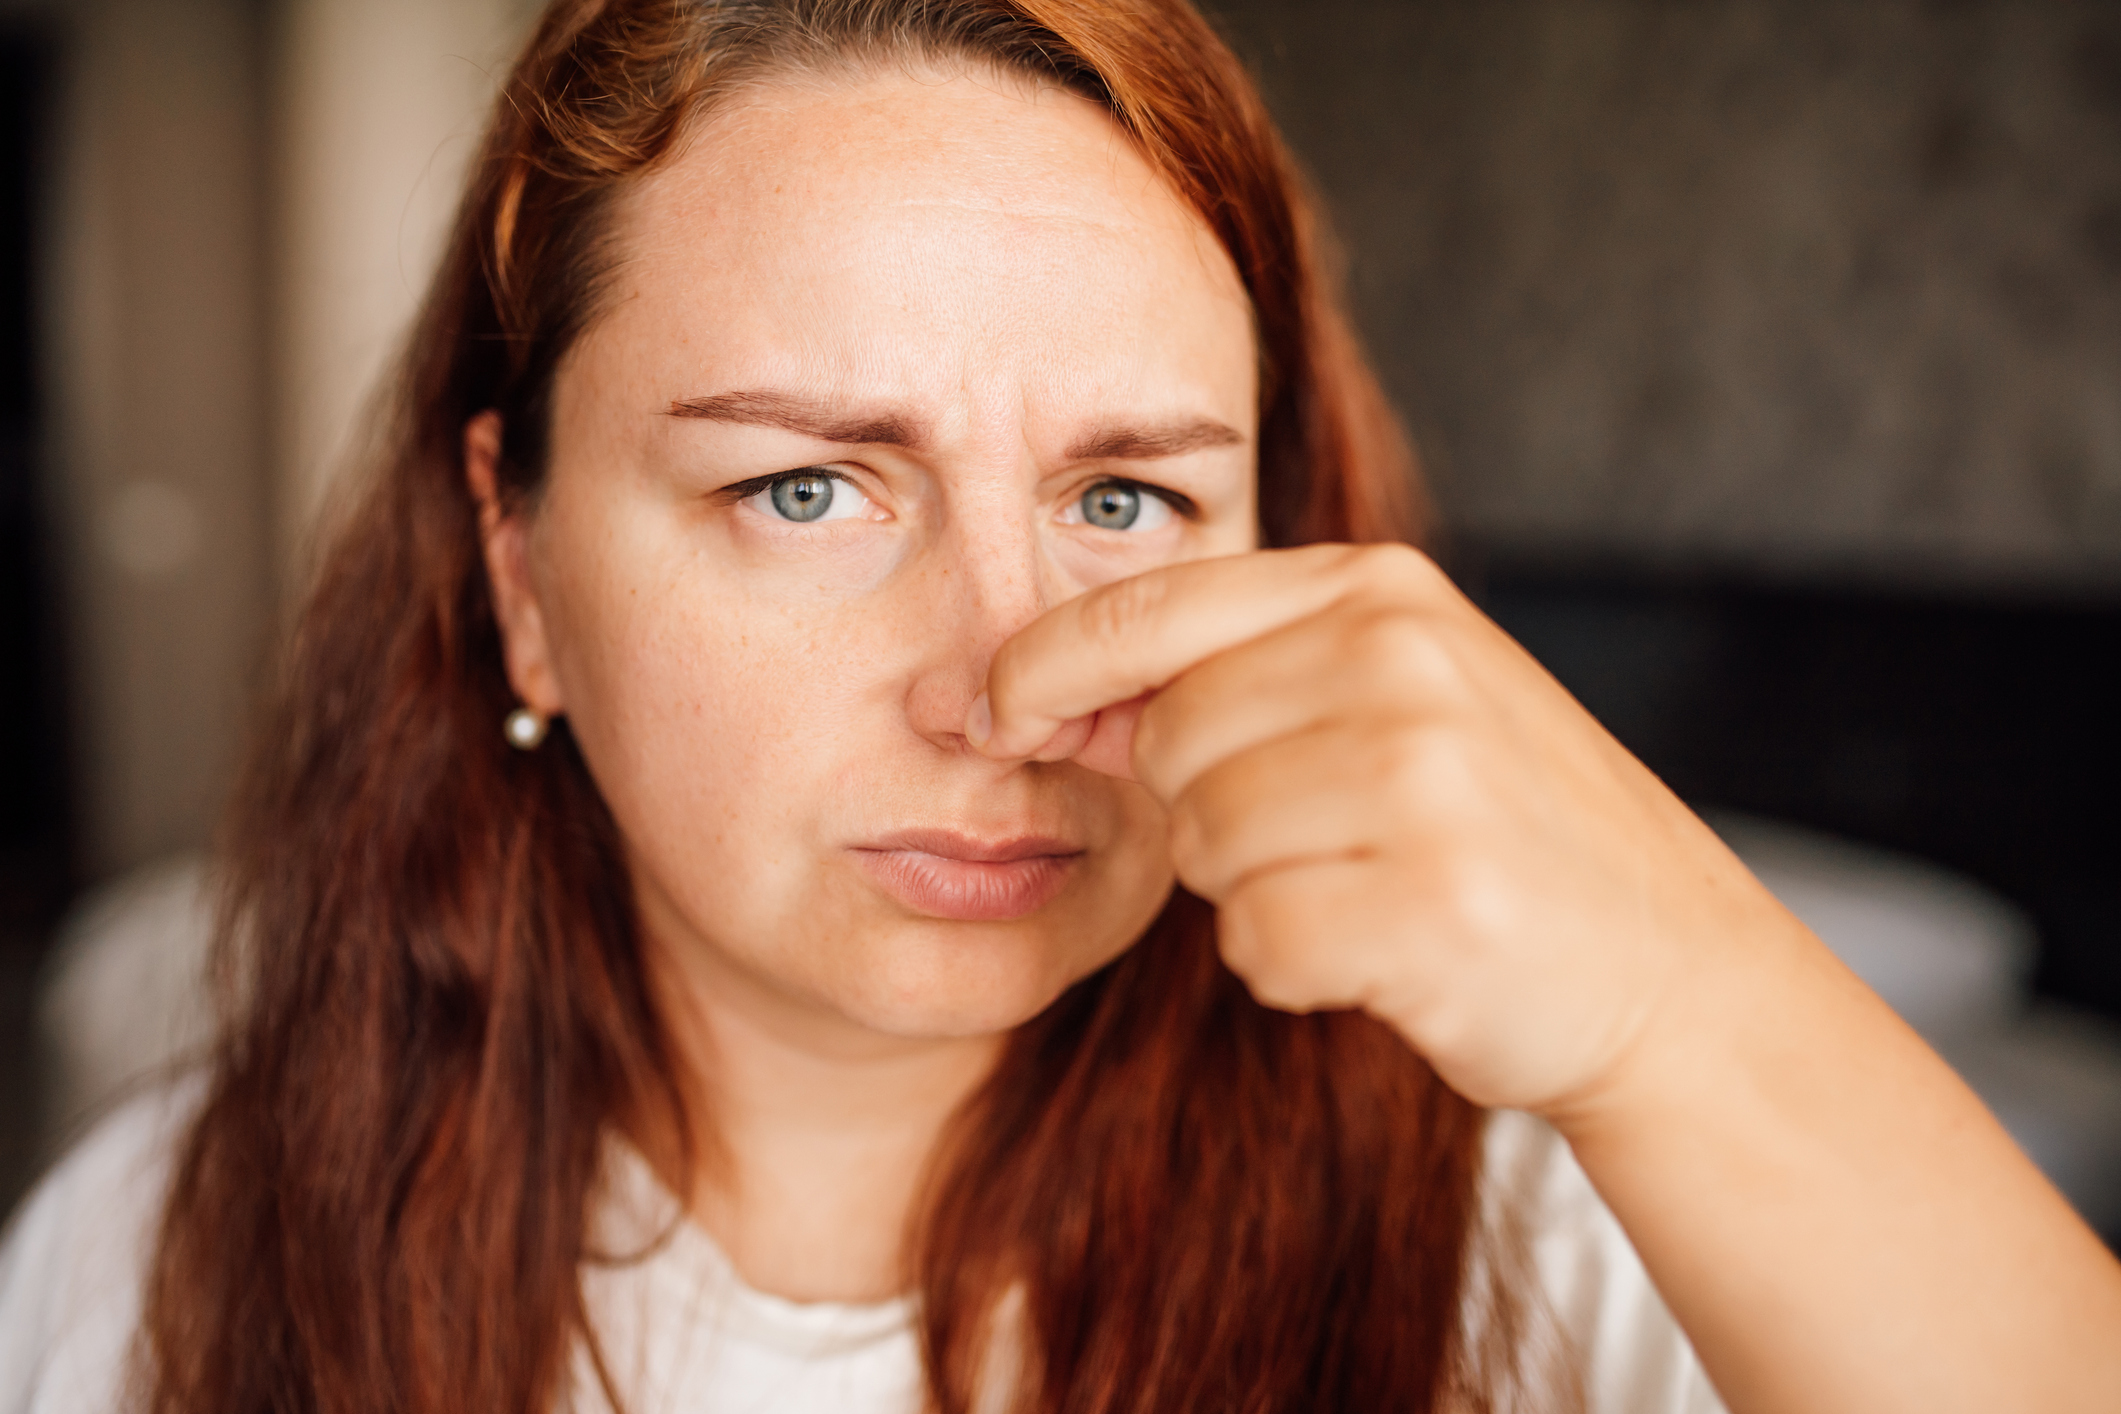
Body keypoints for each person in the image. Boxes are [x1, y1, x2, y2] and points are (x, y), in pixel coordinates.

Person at [5, 0, 2119, 1410]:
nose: (1002, 686)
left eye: (1125, 494)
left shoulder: (1540, 1226)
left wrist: (1683, 1002)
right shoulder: (182, 1252)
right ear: (518, 567)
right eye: (805, 485)